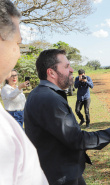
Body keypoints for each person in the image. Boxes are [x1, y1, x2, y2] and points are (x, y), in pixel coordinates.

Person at [24, 49, 110, 185]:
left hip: (63, 170)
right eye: (67, 66)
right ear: (51, 72)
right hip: (60, 176)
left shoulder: (41, 94)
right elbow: (77, 139)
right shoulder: (49, 98)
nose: (72, 70)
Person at [0, 0, 48, 184]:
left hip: (20, 114)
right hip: (15, 115)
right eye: (18, 43)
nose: (18, 54)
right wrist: (19, 88)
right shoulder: (6, 89)